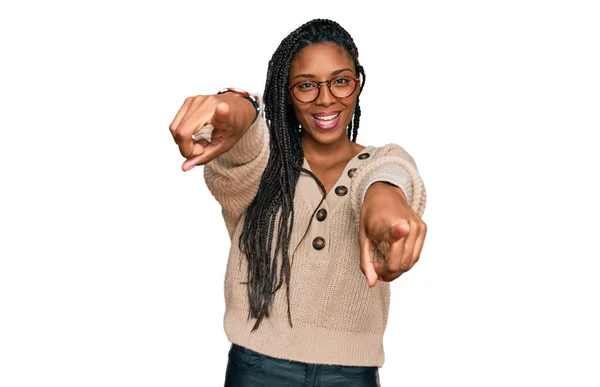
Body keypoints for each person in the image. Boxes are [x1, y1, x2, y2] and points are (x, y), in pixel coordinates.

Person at [169, 18, 427, 387]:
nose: (326, 98)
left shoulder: (383, 161)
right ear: (285, 93)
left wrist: (384, 198)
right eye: (306, 86)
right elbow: (244, 138)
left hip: (351, 376)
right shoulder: (266, 162)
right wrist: (236, 105)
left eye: (341, 81)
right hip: (256, 369)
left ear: (358, 83)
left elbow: (391, 173)